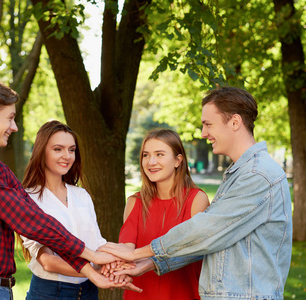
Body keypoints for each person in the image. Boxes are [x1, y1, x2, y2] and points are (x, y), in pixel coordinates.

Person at [0, 80, 140, 299]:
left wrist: (92, 269)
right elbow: (29, 220)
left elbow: (41, 224)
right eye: (10, 118)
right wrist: (92, 259)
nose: (14, 127)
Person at [99, 87, 293, 300]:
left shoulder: (258, 175)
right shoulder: (241, 174)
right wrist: (148, 264)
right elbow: (210, 241)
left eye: (208, 124)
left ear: (235, 122)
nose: (203, 133)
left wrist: (136, 253)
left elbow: (205, 231)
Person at [17, 120, 119, 299]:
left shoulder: (81, 195)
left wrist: (117, 263)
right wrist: (94, 271)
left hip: (89, 292)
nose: (67, 156)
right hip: (50, 292)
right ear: (42, 151)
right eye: (58, 149)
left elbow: (97, 243)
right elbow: (48, 261)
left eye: (71, 150)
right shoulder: (28, 199)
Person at [105, 129, 209, 299]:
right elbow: (127, 249)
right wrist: (116, 266)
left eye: (159, 154)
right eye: (146, 155)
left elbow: (191, 251)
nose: (151, 162)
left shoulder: (197, 199)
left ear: (178, 160)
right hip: (140, 293)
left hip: (183, 293)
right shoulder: (135, 202)